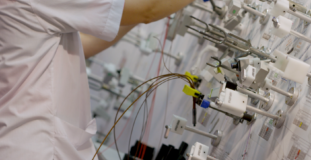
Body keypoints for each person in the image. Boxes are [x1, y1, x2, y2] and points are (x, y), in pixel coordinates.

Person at [0, 0, 194, 159]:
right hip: (39, 145)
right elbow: (149, 9)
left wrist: (132, 16)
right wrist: (142, 12)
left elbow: (83, 45)